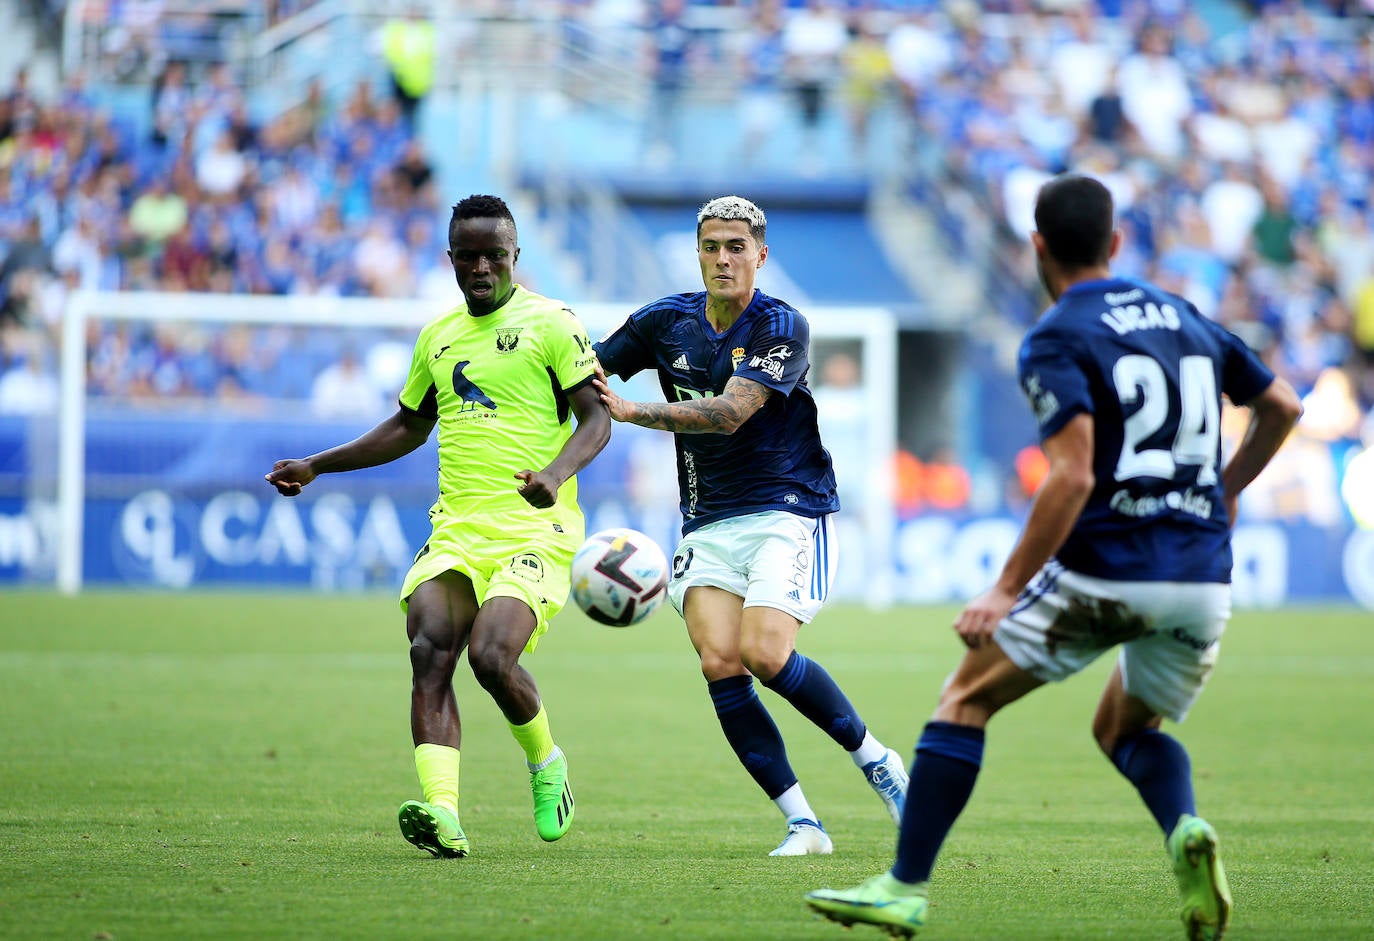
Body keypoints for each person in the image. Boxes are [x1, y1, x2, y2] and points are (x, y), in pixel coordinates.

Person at [805, 174, 1302, 938]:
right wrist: (1225, 491)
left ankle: (903, 886)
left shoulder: (1057, 334)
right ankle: (1184, 830)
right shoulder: (1182, 314)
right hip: (1203, 574)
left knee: (964, 700)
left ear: (1036, 245)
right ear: (1114, 242)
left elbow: (1072, 473)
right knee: (1127, 730)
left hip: (1111, 566)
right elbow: (1283, 406)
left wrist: (1006, 589)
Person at [265, 195, 609, 858]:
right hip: (458, 527)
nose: (482, 267)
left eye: (495, 256)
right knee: (429, 649)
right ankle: (443, 813)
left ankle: (546, 762)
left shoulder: (554, 324)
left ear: (515, 258)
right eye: (468, 256)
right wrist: (317, 465)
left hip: (536, 529)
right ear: (450, 259)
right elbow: (407, 426)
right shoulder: (439, 336)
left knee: (490, 654)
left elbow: (597, 417)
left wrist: (556, 473)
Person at [592, 195, 909, 857]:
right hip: (707, 518)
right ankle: (804, 823)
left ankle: (876, 758)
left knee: (765, 652)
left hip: (787, 509)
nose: (723, 258)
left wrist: (630, 411)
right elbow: (587, 372)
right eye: (711, 246)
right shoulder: (663, 322)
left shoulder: (780, 324)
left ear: (761, 254)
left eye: (736, 246)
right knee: (719, 660)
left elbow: (732, 411)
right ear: (697, 252)